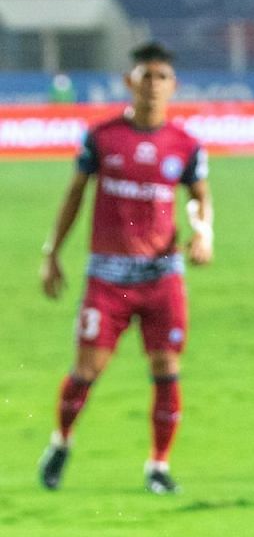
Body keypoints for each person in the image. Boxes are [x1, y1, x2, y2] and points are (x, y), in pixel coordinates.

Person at [37, 40, 211, 495]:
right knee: (87, 370)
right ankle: (61, 441)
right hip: (108, 280)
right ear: (129, 81)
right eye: (145, 76)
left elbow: (199, 198)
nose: (153, 85)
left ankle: (157, 466)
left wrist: (204, 232)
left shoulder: (186, 145)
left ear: (174, 86)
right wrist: (51, 252)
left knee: (166, 369)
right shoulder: (103, 137)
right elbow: (74, 195)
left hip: (162, 277)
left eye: (162, 77)